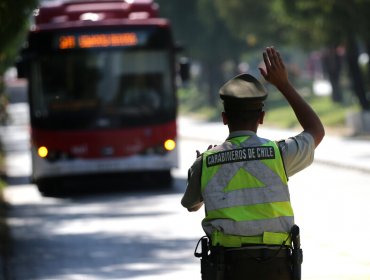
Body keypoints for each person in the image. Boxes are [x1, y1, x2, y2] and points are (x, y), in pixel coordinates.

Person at [181, 47, 325, 280]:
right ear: (262, 117)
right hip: (276, 266)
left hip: (227, 268)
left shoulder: (206, 162)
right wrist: (284, 85)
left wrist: (200, 168)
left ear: (224, 118)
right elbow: (316, 130)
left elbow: (191, 204)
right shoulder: (279, 153)